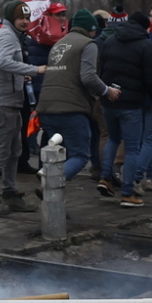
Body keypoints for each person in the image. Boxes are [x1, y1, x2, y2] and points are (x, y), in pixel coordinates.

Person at [37, 10, 119, 182]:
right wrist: (106, 90)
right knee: (80, 156)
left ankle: (46, 181)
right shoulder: (88, 44)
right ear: (90, 29)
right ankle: (50, 182)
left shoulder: (58, 44)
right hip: (71, 108)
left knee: (58, 152)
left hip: (46, 107)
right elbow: (88, 76)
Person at [0, 0, 46, 213]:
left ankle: (9, 192)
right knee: (1, 152)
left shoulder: (10, 35)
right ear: (12, 18)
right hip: (2, 103)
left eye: (27, 18)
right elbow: (2, 62)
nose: (25, 22)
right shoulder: (7, 36)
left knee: (14, 150)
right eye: (21, 18)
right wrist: (34, 69)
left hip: (10, 102)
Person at [97, 11, 152, 207]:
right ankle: (128, 192)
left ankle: (106, 178)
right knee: (132, 148)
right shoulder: (145, 45)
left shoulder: (110, 41)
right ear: (143, 26)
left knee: (113, 139)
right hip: (131, 104)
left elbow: (101, 69)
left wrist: (105, 92)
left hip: (109, 100)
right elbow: (150, 78)